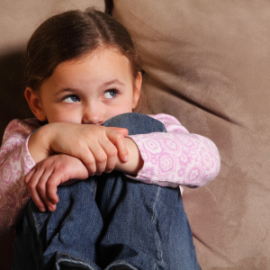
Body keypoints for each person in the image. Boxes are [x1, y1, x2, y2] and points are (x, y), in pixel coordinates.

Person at [0, 8, 220, 270]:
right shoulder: (26, 137)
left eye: (111, 92)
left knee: (133, 126)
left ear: (135, 89)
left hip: (158, 262)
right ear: (37, 103)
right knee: (54, 155)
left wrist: (99, 157)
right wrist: (47, 139)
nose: (93, 115)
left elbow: (208, 160)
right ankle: (70, 263)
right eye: (72, 97)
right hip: (50, 262)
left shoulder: (160, 129)